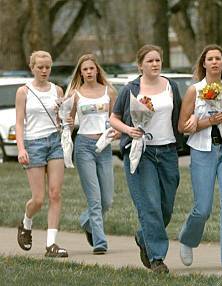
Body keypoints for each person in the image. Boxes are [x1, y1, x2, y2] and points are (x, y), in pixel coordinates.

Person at [109, 45, 183, 274]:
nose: (155, 64)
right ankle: (157, 259)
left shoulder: (171, 86)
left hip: (168, 151)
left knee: (166, 207)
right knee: (150, 204)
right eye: (150, 61)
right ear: (140, 65)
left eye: (158, 60)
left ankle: (144, 235)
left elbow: (180, 115)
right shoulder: (131, 89)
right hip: (142, 152)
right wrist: (128, 131)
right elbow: (114, 117)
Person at [178, 45, 222, 272]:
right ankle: (188, 239)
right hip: (203, 150)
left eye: (218, 59)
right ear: (204, 64)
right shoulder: (195, 90)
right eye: (210, 59)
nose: (214, 62)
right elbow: (182, 126)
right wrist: (207, 122)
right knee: (203, 208)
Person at [15, 50, 67, 258]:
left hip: (55, 142)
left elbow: (63, 119)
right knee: (38, 198)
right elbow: (19, 123)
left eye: (48, 67)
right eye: (40, 67)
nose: (44, 71)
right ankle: (26, 222)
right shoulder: (23, 92)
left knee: (55, 194)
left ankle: (51, 244)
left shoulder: (58, 90)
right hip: (33, 143)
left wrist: (65, 118)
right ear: (32, 68)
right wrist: (21, 149)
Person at [65, 54, 117, 255]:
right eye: (84, 69)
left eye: (91, 69)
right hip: (84, 146)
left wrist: (118, 132)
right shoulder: (75, 94)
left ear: (97, 70)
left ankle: (86, 222)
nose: (88, 72)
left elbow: (116, 119)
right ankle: (100, 241)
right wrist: (67, 128)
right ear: (80, 72)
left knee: (107, 200)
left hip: (104, 147)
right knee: (94, 199)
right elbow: (67, 121)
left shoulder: (109, 92)